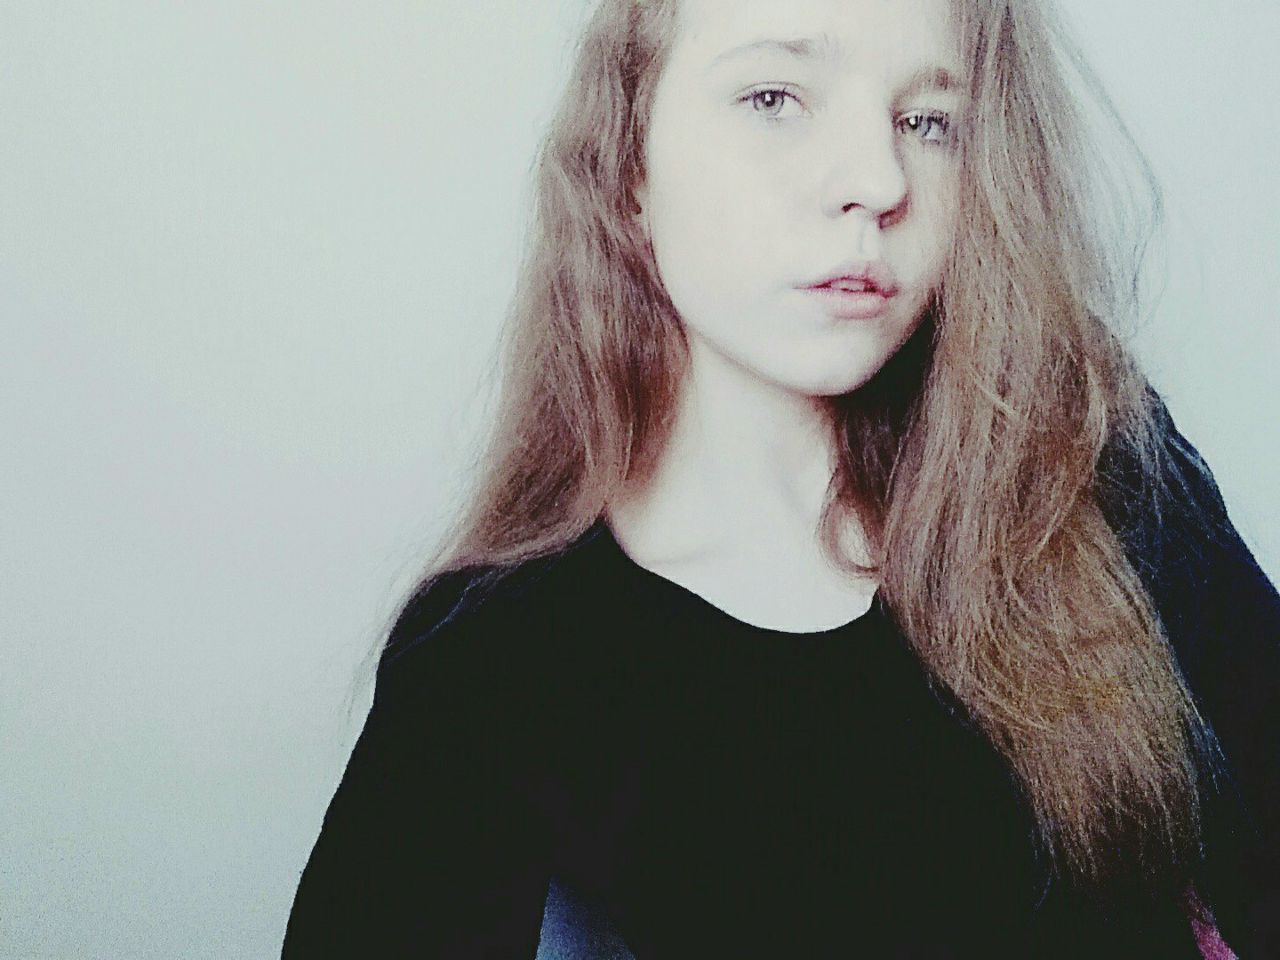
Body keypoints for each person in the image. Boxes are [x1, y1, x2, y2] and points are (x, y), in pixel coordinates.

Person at [281, 0, 1279, 956]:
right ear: (627, 167)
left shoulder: (1079, 451)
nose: (877, 180)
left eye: (928, 121)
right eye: (774, 98)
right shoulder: (502, 655)